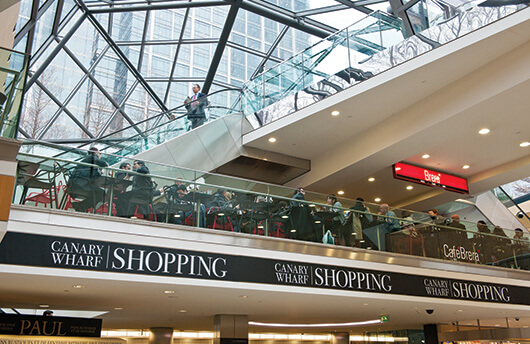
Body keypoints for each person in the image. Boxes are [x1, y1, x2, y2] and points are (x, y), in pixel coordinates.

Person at [70, 147, 108, 212]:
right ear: (95, 153)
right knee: (101, 193)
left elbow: (94, 175)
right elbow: (102, 163)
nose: (100, 155)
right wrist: (105, 164)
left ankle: (81, 206)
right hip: (80, 185)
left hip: (77, 184)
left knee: (98, 193)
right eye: (99, 153)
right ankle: (81, 206)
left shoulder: (88, 161)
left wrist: (99, 170)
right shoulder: (91, 156)